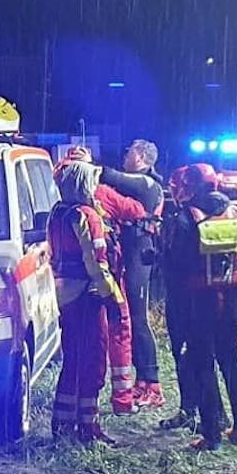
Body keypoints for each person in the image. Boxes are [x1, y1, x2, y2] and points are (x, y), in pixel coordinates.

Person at [164, 163, 237, 450]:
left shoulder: (185, 219)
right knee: (232, 363)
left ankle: (211, 436)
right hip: (230, 301)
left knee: (202, 365)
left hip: (198, 305)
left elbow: (175, 271)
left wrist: (178, 316)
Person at [47, 160, 124, 444]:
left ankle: (63, 424)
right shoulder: (86, 215)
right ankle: (88, 428)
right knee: (92, 361)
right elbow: (96, 264)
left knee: (73, 359)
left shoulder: (58, 213)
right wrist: (112, 297)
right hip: (87, 296)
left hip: (64, 293)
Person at [66, 146, 143, 415]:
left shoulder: (58, 203)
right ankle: (121, 400)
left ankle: (70, 417)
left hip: (68, 288)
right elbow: (136, 210)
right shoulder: (98, 199)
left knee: (76, 352)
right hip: (104, 282)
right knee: (116, 334)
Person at [99, 139, 167, 410]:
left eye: (129, 152)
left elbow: (110, 175)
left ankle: (152, 384)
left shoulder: (147, 184)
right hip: (132, 253)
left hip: (140, 253)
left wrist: (87, 163)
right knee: (132, 317)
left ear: (140, 157)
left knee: (138, 319)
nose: (125, 156)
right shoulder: (139, 184)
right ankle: (142, 382)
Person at [156, 165, 198, 431]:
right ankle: (221, 417)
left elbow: (177, 262)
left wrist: (158, 258)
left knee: (186, 356)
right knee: (212, 359)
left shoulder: (183, 219)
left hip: (184, 300)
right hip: (214, 301)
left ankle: (192, 412)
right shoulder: (230, 213)